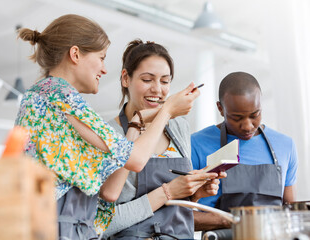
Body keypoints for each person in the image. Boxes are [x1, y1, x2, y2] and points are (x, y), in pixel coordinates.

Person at [15, 14, 200, 239]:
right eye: (101, 58)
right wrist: (168, 110)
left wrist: (140, 119)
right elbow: (136, 159)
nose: (104, 69)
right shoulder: (62, 98)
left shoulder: (40, 94)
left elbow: (109, 192)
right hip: (59, 226)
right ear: (75, 54)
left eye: (164, 81)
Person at [100, 39, 224, 240]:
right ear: (125, 78)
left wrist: (194, 191)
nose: (158, 90)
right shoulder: (107, 134)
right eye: (147, 80)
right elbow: (102, 223)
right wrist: (168, 192)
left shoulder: (178, 126)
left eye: (165, 81)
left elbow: (179, 207)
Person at [191, 72, 298, 231]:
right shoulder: (196, 144)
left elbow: (290, 209)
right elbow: (178, 216)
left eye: (255, 115)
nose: (247, 126)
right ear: (220, 109)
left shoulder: (285, 145)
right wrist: (232, 221)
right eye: (236, 118)